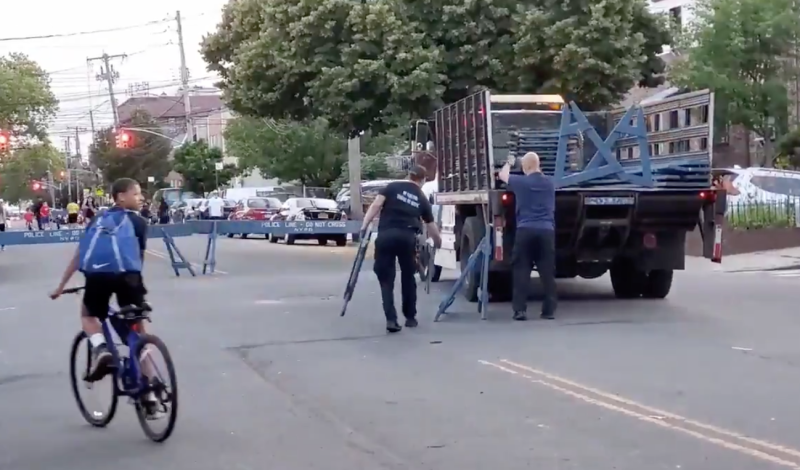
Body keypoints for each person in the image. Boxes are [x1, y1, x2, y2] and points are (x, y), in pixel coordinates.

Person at [48, 178, 161, 417]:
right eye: (137, 194)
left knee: (89, 316)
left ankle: (100, 349)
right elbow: (138, 259)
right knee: (138, 332)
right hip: (129, 278)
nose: (141, 198)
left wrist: (60, 287)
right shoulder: (139, 222)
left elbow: (80, 255)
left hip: (98, 277)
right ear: (121, 196)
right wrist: (137, 289)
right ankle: (150, 393)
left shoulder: (97, 221)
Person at [360, 165, 442, 333]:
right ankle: (410, 317)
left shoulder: (391, 187)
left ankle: (391, 319)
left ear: (409, 175)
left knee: (386, 279)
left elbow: (376, 206)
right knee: (408, 277)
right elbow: (431, 225)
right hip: (407, 238)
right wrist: (438, 242)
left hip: (386, 237)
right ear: (422, 179)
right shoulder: (421, 197)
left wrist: (364, 225)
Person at [498, 152, 557, 321]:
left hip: (525, 230)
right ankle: (549, 311)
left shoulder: (521, 182)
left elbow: (503, 176)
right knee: (547, 271)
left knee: (521, 270)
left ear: (525, 167)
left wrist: (509, 163)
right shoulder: (550, 183)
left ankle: (520, 310)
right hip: (546, 231)